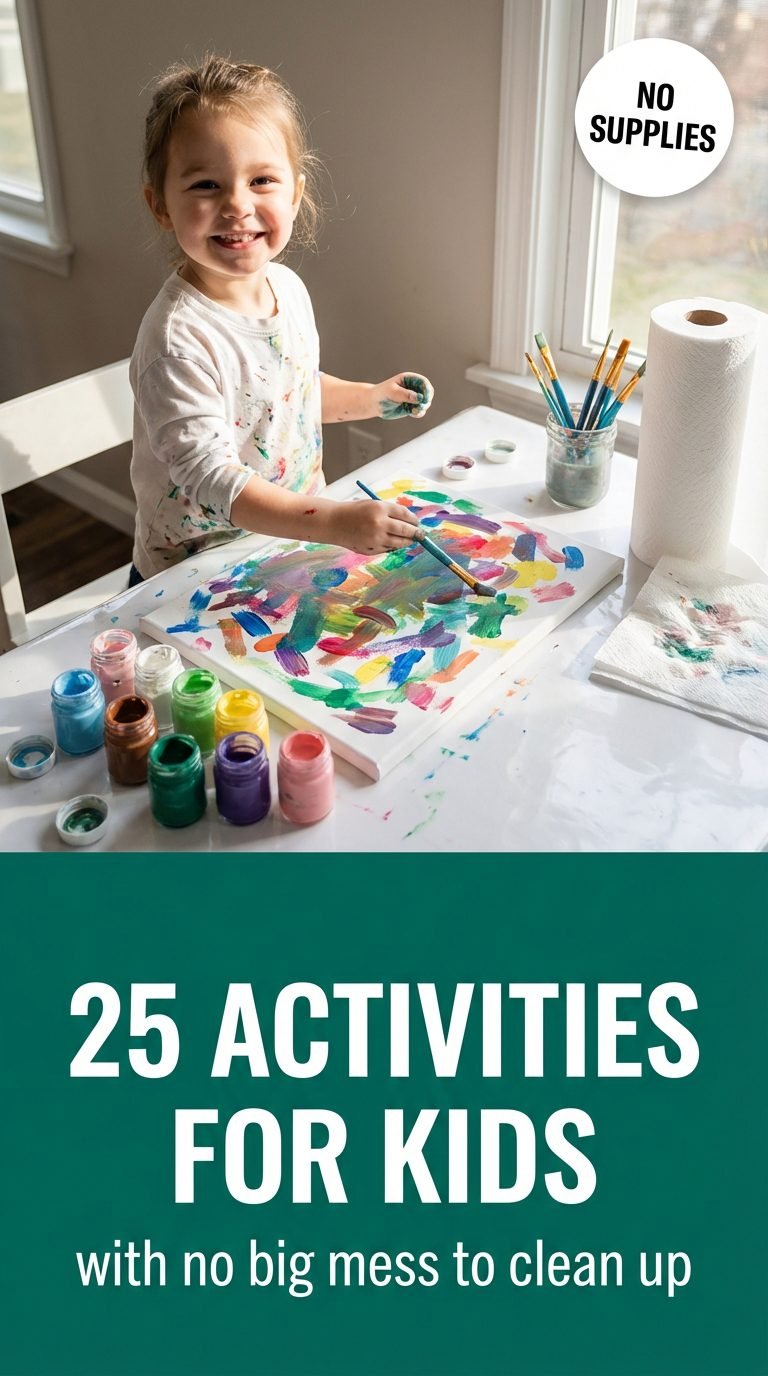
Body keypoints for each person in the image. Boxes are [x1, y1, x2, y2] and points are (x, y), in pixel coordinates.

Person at [129, 54, 434, 584]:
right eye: (205, 185)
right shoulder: (178, 341)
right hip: (192, 579)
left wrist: (372, 397)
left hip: (287, 549)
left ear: (295, 192)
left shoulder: (286, 289)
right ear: (161, 206)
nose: (236, 205)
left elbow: (289, 394)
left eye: (262, 180)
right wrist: (337, 520)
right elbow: (213, 478)